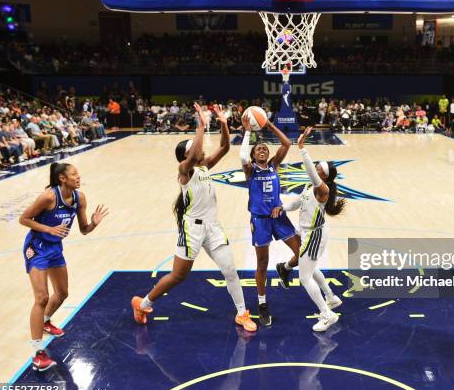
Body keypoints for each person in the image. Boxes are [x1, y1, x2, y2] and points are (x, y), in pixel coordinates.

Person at [131, 104, 256, 332]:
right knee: (179, 275)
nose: (202, 151)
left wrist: (224, 124)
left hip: (213, 227)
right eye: (196, 149)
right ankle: (143, 303)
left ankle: (242, 313)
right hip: (192, 230)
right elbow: (193, 155)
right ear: (188, 155)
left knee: (230, 271)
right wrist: (200, 125)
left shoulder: (205, 166)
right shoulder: (184, 170)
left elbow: (226, 147)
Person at [19, 162, 108, 371]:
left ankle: (46, 321)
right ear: (62, 178)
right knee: (41, 298)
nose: (78, 177)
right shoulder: (49, 197)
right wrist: (48, 229)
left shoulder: (80, 198)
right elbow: (24, 219)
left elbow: (84, 229)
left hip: (55, 248)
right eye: (74, 174)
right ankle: (37, 352)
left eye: (78, 173)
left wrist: (94, 223)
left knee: (62, 294)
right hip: (37, 247)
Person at [274, 127, 345, 331]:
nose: (315, 167)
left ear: (323, 174)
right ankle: (331, 298)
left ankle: (326, 314)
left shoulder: (323, 188)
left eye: (319, 167)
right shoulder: (309, 187)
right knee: (311, 269)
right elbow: (298, 202)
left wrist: (302, 149)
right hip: (308, 232)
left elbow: (311, 173)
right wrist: (283, 207)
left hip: (315, 234)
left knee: (304, 277)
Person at [239, 113, 300, 326]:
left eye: (265, 148)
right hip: (260, 221)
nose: (262, 150)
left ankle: (285, 268)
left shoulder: (274, 165)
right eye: (259, 149)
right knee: (262, 263)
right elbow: (243, 158)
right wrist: (248, 131)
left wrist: (268, 124)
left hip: (279, 217)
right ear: (254, 156)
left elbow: (287, 142)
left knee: (302, 253)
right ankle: (262, 304)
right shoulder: (250, 170)